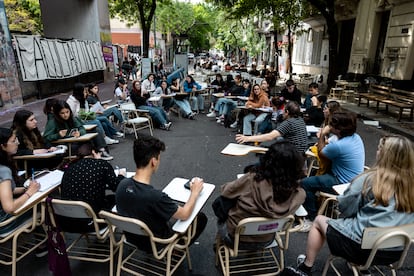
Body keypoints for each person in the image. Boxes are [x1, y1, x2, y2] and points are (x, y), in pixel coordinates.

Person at [284, 135, 414, 276]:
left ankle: (305, 267)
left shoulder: (369, 180)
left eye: (379, 149)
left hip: (359, 247)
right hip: (395, 251)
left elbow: (344, 208)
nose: (377, 152)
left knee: (318, 220)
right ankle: (363, 268)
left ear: (385, 155)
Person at [116, 134, 207, 252]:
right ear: (153, 161)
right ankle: (174, 251)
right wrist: (194, 192)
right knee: (200, 218)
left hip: (131, 238)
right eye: (159, 158)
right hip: (156, 243)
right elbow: (184, 214)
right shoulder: (155, 197)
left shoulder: (122, 185)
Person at [216, 140, 306, 248]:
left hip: (236, 239)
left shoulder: (252, 179)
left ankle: (218, 246)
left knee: (223, 202)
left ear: (268, 160)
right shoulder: (299, 193)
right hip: (268, 238)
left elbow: (226, 191)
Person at [300, 111, 365, 232]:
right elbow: (333, 142)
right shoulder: (355, 137)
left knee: (305, 183)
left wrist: (322, 135)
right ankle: (321, 206)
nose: (328, 127)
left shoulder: (340, 146)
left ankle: (311, 218)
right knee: (315, 175)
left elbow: (321, 153)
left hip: (341, 181)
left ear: (338, 130)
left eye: (331, 125)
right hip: (356, 179)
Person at [57, 143, 124, 232]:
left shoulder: (70, 168)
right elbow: (116, 187)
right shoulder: (102, 164)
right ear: (93, 152)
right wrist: (121, 175)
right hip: (93, 222)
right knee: (116, 198)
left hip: (67, 222)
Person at [0, 128, 40, 235]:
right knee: (42, 205)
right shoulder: (3, 170)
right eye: (13, 141)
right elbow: (9, 207)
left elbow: (6, 192)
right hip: (4, 224)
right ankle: (46, 245)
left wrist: (25, 189)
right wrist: (29, 192)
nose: (18, 143)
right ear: (2, 146)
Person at [43, 100, 113, 161]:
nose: (65, 115)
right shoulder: (52, 122)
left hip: (77, 141)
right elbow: (45, 138)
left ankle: (101, 150)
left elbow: (81, 128)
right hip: (66, 145)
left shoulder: (72, 118)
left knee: (95, 131)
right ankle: (96, 154)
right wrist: (58, 135)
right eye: (62, 113)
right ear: (57, 114)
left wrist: (79, 133)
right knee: (86, 147)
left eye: (67, 112)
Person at [236, 101, 308, 153]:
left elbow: (270, 136)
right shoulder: (300, 120)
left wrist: (247, 138)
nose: (282, 112)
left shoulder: (289, 123)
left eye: (283, 110)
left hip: (293, 155)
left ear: (287, 112)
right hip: (301, 153)